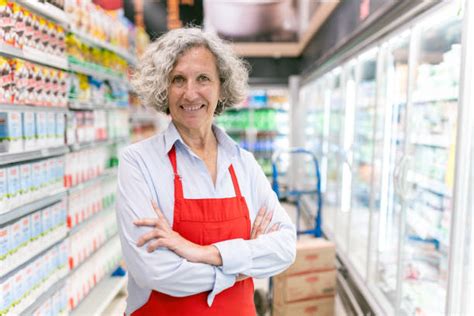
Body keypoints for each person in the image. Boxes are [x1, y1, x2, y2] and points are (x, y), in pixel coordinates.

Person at [116, 27, 296, 316]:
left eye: (203, 78)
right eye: (178, 80)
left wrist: (201, 252)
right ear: (163, 88)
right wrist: (237, 268)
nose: (190, 93)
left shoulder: (244, 164)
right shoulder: (139, 162)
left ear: (221, 87)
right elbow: (155, 270)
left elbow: (285, 247)